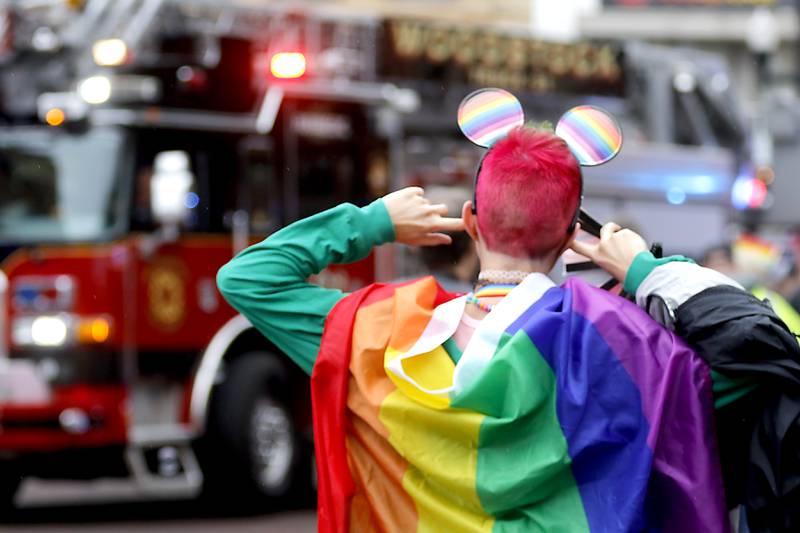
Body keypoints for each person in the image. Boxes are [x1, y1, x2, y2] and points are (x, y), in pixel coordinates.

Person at [218, 127, 800, 532]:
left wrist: (374, 221)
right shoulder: (629, 349)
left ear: (471, 221)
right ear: (573, 233)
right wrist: (646, 269)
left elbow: (248, 277)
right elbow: (766, 349)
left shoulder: (376, 335)